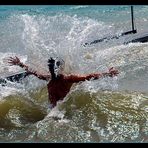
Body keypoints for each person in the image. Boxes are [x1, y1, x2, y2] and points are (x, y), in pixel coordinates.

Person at [8, 56, 119, 108]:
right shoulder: (49, 78)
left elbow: (89, 76)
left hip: (62, 108)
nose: (51, 70)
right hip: (53, 108)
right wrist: (20, 64)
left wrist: (108, 74)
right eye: (51, 68)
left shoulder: (67, 78)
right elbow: (33, 71)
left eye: (52, 68)